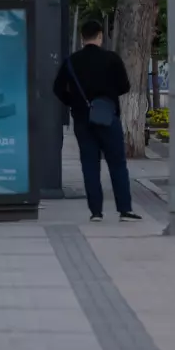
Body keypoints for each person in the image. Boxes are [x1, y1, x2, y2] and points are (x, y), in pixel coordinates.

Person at [54, 20, 141, 223]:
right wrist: (107, 96)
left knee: (90, 164)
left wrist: (74, 102)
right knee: (117, 163)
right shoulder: (111, 59)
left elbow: (57, 88)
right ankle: (124, 209)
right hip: (108, 116)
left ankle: (96, 212)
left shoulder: (71, 61)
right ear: (100, 36)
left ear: (82, 37)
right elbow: (124, 86)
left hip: (83, 120)